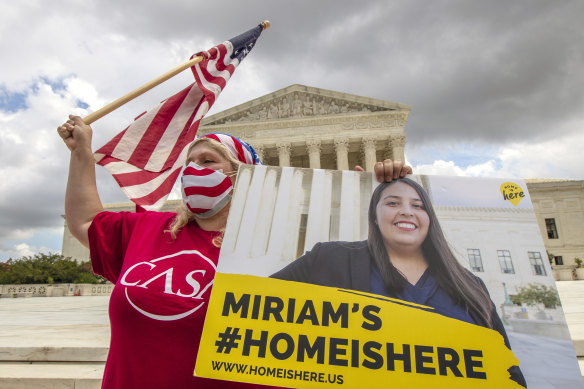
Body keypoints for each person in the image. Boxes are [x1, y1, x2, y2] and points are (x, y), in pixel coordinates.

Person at [57, 114, 411, 388]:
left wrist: (376, 197)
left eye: (208, 161)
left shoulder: (285, 248)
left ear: (242, 175)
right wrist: (81, 155)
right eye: (189, 163)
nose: (193, 170)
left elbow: (372, 292)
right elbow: (85, 222)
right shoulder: (148, 228)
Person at [271, 177, 526, 387]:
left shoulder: (471, 286)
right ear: (374, 216)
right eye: (393, 202)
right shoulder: (328, 259)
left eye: (418, 205)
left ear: (430, 219)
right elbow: (250, 309)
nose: (406, 211)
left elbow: (509, 374)